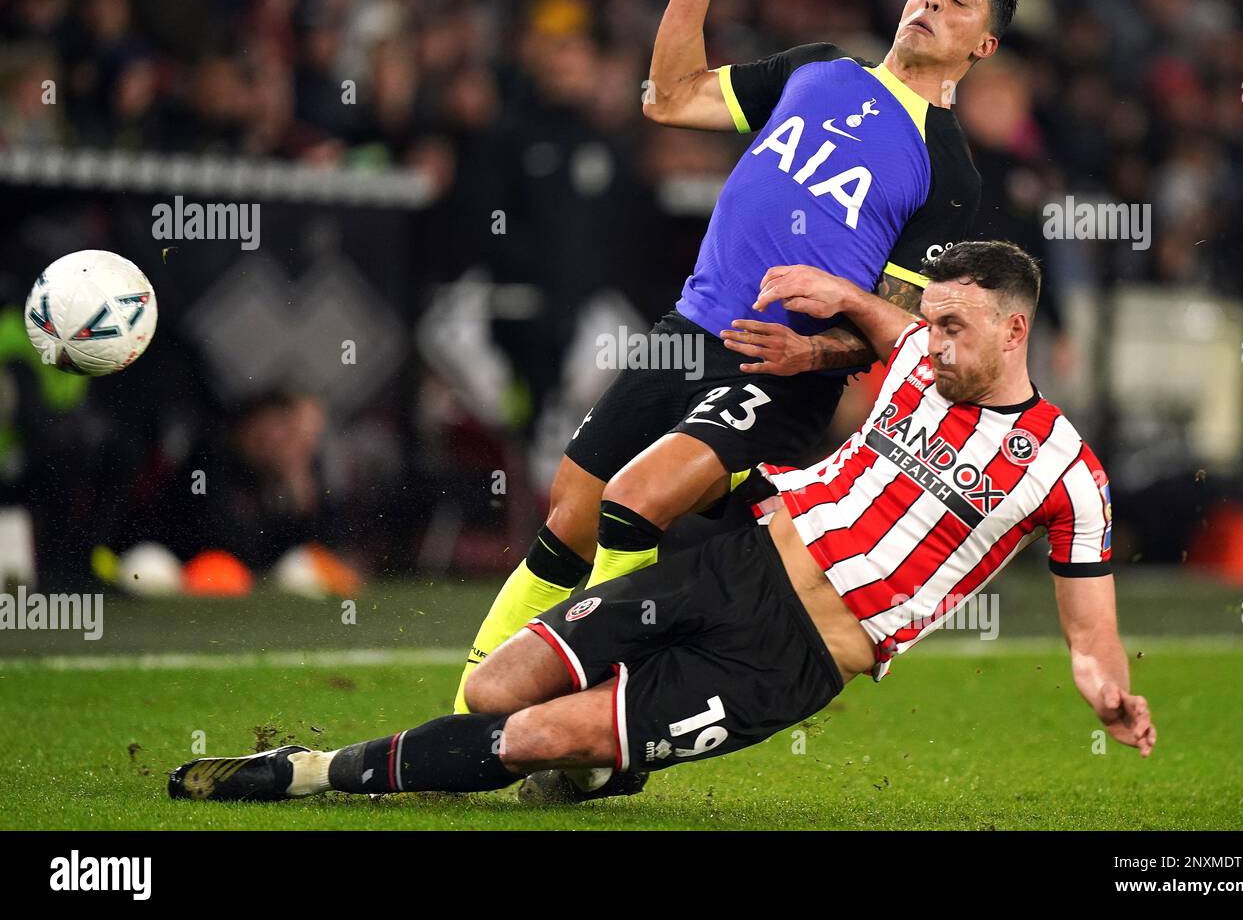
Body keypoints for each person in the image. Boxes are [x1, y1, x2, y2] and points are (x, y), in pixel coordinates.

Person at [168, 241, 1156, 807]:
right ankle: (605, 764)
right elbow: (887, 324)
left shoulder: (1066, 471)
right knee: (491, 684)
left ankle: (306, 772)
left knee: (526, 734)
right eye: (929, 320)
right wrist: (842, 296)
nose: (930, 341)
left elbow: (1089, 634)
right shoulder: (917, 356)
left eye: (955, 326)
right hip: (729, 566)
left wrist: (1105, 692)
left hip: (789, 658)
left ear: (1014, 330)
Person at [452, 0, 1017, 712]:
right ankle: (474, 703)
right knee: (572, 507)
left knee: (631, 504)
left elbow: (892, 327)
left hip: (780, 367)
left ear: (984, 43)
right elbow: (668, 97)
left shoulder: (949, 171)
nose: (932, 0)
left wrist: (810, 353)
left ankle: (601, 712)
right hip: (690, 327)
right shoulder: (819, 68)